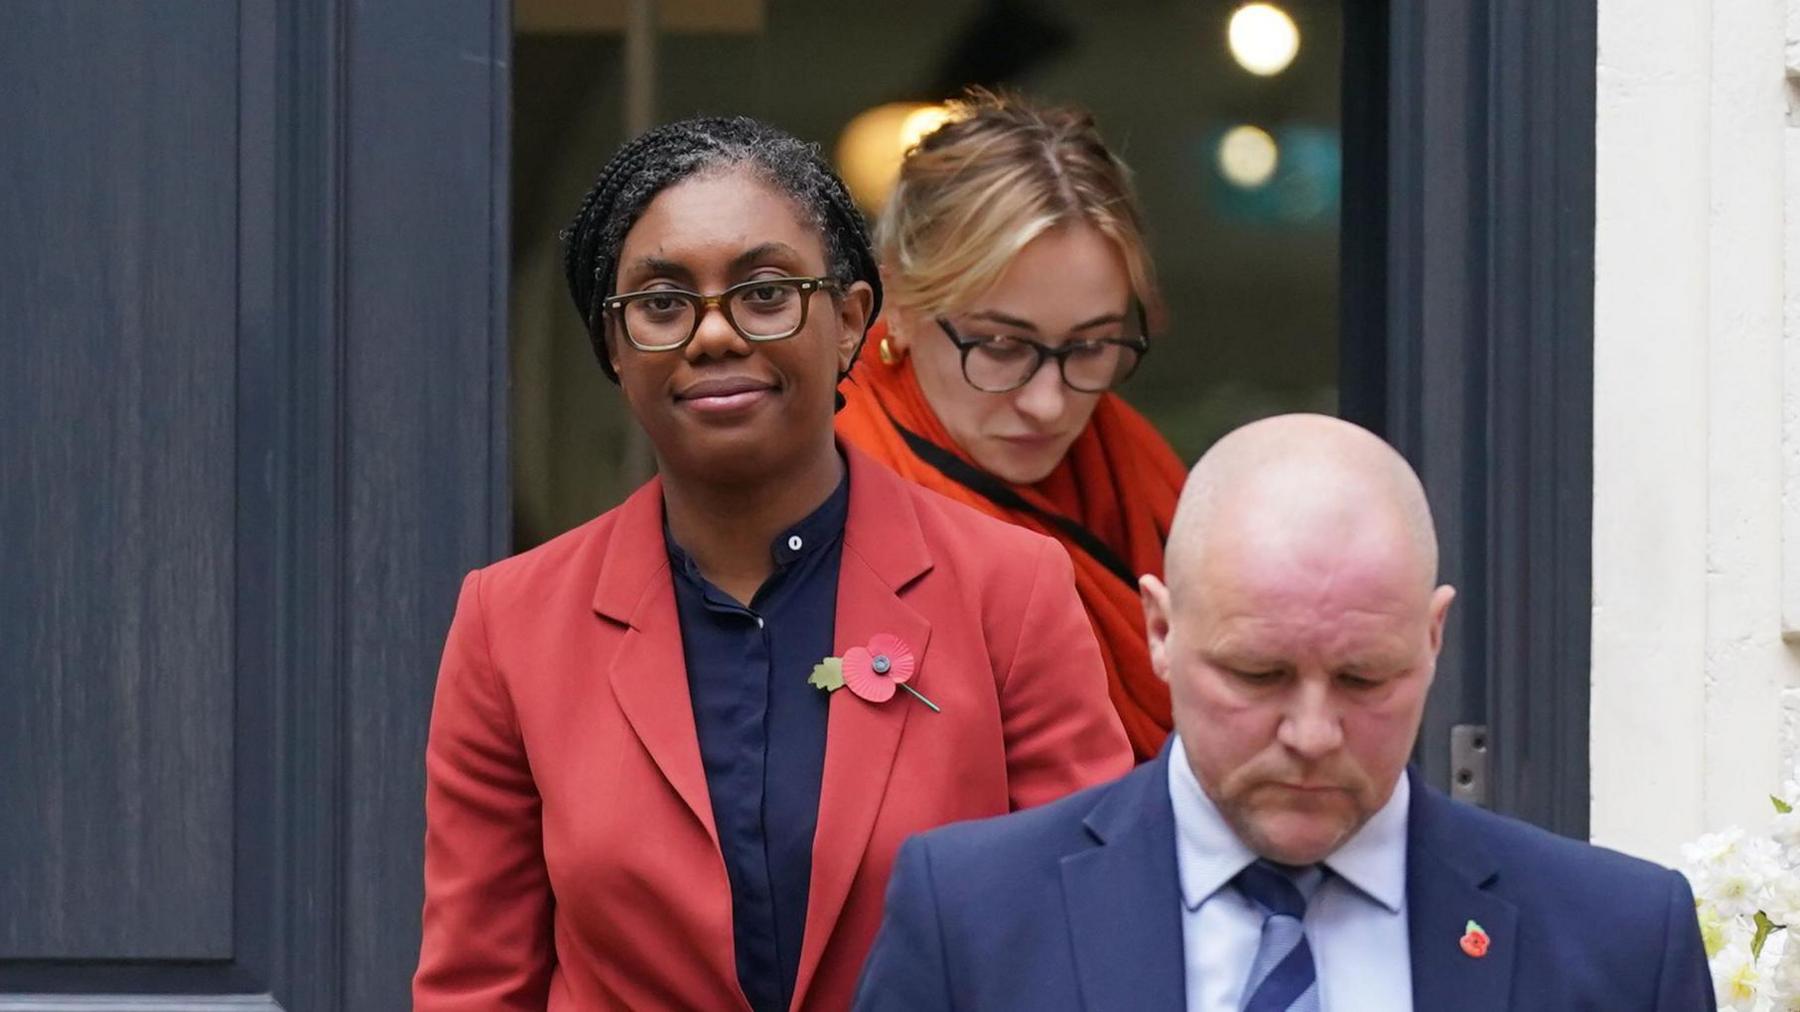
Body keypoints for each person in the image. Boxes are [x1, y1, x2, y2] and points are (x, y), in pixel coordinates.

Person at [412, 117, 1133, 1012]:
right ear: (612, 348)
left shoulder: (1009, 590)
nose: (713, 334)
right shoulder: (510, 624)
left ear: (851, 323)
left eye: (763, 291)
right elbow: (478, 985)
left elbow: (1087, 942)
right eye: (662, 302)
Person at [854, 414, 1714, 1011]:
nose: (1312, 734)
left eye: (1364, 679)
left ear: (1433, 637)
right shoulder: (974, 915)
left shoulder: (1621, 944)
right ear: (1160, 629)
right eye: (1258, 675)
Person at [836, 90, 1186, 762]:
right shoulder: (822, 497)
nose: (1049, 404)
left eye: (1090, 345)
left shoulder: (1137, 466)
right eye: (1001, 345)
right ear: (898, 304)